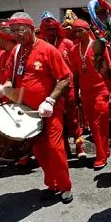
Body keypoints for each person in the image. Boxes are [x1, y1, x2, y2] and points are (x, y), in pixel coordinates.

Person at [0, 12, 73, 203]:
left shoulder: (48, 50)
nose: (16, 35)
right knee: (39, 150)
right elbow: (11, 82)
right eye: (13, 31)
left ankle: (65, 186)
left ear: (30, 28)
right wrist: (3, 89)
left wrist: (50, 101)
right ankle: (52, 184)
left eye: (19, 30)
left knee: (54, 148)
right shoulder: (17, 52)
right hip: (26, 111)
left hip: (48, 110)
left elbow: (65, 77)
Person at [39, 11, 86, 160]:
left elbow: (76, 65)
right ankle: (64, 148)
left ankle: (79, 147)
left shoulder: (66, 43)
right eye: (48, 30)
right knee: (57, 120)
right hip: (52, 90)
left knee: (73, 118)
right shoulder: (41, 45)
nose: (52, 32)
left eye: (54, 29)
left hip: (69, 86)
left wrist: (78, 87)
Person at [69, 19, 110, 169]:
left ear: (87, 30)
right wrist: (76, 93)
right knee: (93, 125)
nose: (77, 34)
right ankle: (104, 150)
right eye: (75, 31)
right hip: (86, 93)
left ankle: (100, 156)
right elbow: (76, 74)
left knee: (100, 123)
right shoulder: (74, 50)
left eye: (80, 30)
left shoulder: (98, 46)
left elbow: (108, 68)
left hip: (101, 89)